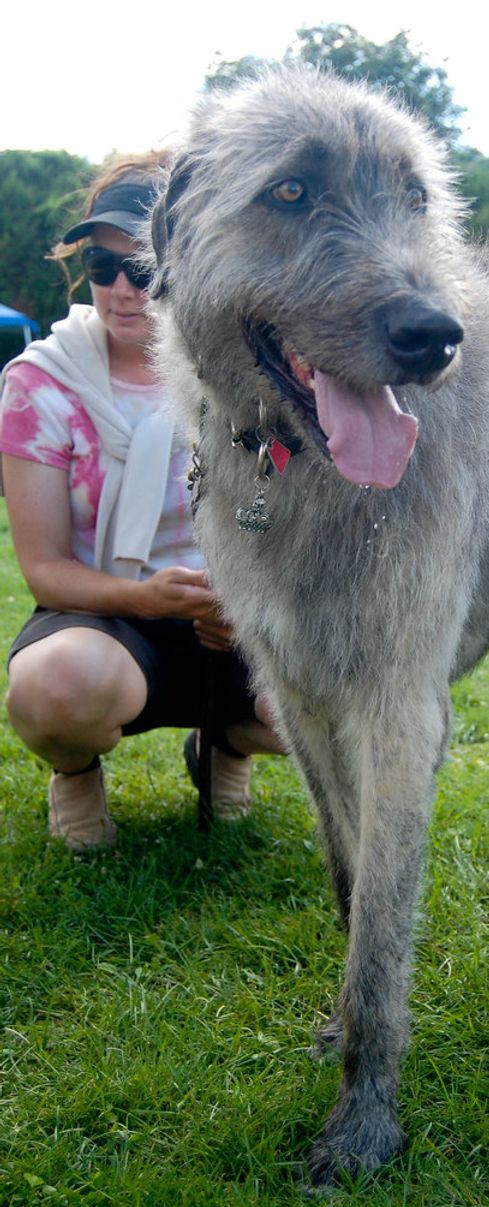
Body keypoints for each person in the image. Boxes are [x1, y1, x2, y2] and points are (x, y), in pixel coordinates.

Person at [0, 152, 284, 851]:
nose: (123, 289)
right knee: (57, 685)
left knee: (322, 698)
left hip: (228, 615)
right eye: (103, 266)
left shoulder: (255, 380)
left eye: (145, 268)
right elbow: (44, 570)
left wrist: (240, 601)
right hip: (99, 616)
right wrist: (147, 599)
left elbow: (269, 517)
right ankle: (74, 767)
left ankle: (223, 748)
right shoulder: (40, 385)